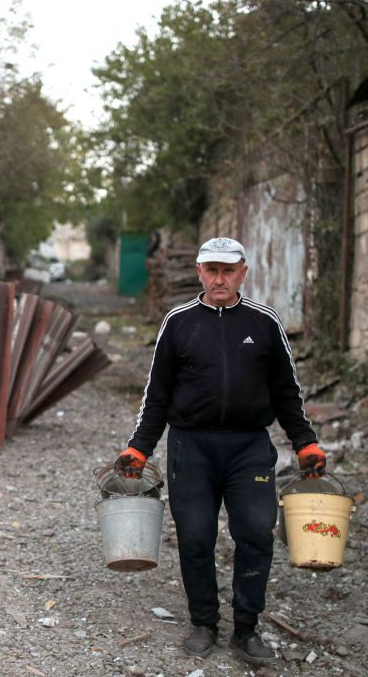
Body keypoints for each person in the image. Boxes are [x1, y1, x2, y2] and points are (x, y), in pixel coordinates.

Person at [115, 236, 326, 665]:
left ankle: (247, 627)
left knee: (254, 531)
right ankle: (204, 622)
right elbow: (156, 395)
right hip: (191, 447)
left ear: (243, 273)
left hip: (249, 447)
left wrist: (305, 441)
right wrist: (140, 448)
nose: (220, 278)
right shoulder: (178, 322)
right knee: (195, 536)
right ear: (199, 273)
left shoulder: (264, 322)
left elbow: (287, 392)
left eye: (228, 270)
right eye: (211, 270)